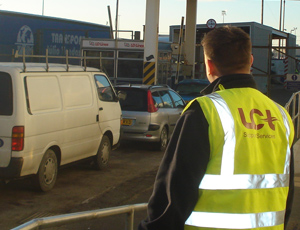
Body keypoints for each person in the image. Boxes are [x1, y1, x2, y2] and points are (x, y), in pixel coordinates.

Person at [138, 26, 295, 230]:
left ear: (209, 66)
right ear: (251, 61)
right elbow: (287, 196)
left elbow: (173, 196)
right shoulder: (281, 115)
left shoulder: (204, 111)